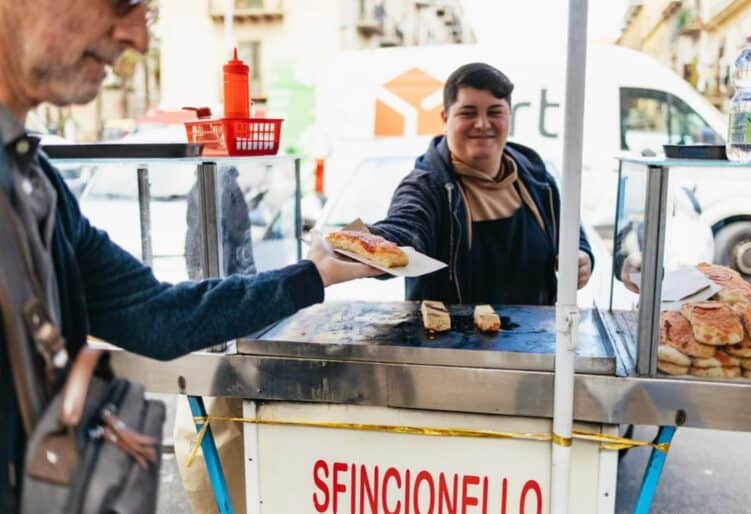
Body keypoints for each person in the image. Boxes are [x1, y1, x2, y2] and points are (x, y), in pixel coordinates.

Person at [0, 1, 375, 512]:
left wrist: (315, 274)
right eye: (122, 4)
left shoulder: (37, 183)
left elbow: (160, 315)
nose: (138, 39)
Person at [371, 62, 593, 305]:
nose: (482, 124)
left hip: (535, 339)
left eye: (495, 112)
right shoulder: (426, 187)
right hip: (447, 340)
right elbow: (404, 229)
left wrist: (582, 255)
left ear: (509, 115)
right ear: (446, 118)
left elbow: (571, 232)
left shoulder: (537, 179)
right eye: (468, 113)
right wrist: (367, 242)